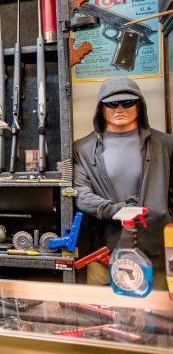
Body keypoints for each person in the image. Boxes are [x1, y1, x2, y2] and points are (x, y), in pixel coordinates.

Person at [73, 77, 172, 289]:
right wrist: (119, 210)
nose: (120, 108)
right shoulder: (82, 149)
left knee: (159, 318)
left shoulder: (165, 145)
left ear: (139, 105)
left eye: (127, 102)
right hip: (104, 256)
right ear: (101, 108)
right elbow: (81, 195)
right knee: (102, 317)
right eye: (112, 103)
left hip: (157, 257)